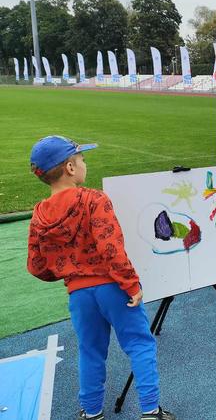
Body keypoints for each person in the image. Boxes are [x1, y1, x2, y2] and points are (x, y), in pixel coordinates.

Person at [26, 136, 176, 420]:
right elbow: (111, 248)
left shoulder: (39, 215)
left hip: (79, 295)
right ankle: (150, 410)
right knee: (140, 344)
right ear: (70, 167)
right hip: (112, 287)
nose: (84, 162)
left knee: (90, 352)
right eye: (81, 159)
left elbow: (36, 265)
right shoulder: (93, 199)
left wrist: (65, 273)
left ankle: (92, 412)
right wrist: (131, 284)